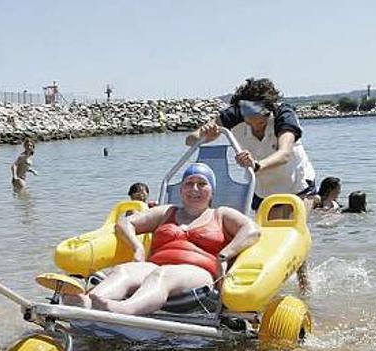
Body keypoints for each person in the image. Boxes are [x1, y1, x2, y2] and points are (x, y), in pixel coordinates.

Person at [66, 163, 260, 315]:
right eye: (189, 184)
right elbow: (125, 224)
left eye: (202, 184)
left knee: (162, 276)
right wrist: (137, 247)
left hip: (199, 272)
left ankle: (124, 310)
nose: (195, 189)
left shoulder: (221, 214)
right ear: (181, 190)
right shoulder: (167, 212)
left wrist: (225, 255)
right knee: (124, 270)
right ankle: (90, 301)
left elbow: (252, 230)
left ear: (212, 191)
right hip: (155, 265)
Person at [186, 78, 315, 291]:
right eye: (250, 117)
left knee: (293, 233)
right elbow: (190, 140)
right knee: (268, 240)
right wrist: (204, 133)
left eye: (261, 118)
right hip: (264, 190)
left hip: (296, 186)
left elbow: (283, 154)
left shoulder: (284, 115)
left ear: (268, 110)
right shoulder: (234, 115)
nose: (255, 122)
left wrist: (256, 165)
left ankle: (305, 285)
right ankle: (269, 284)